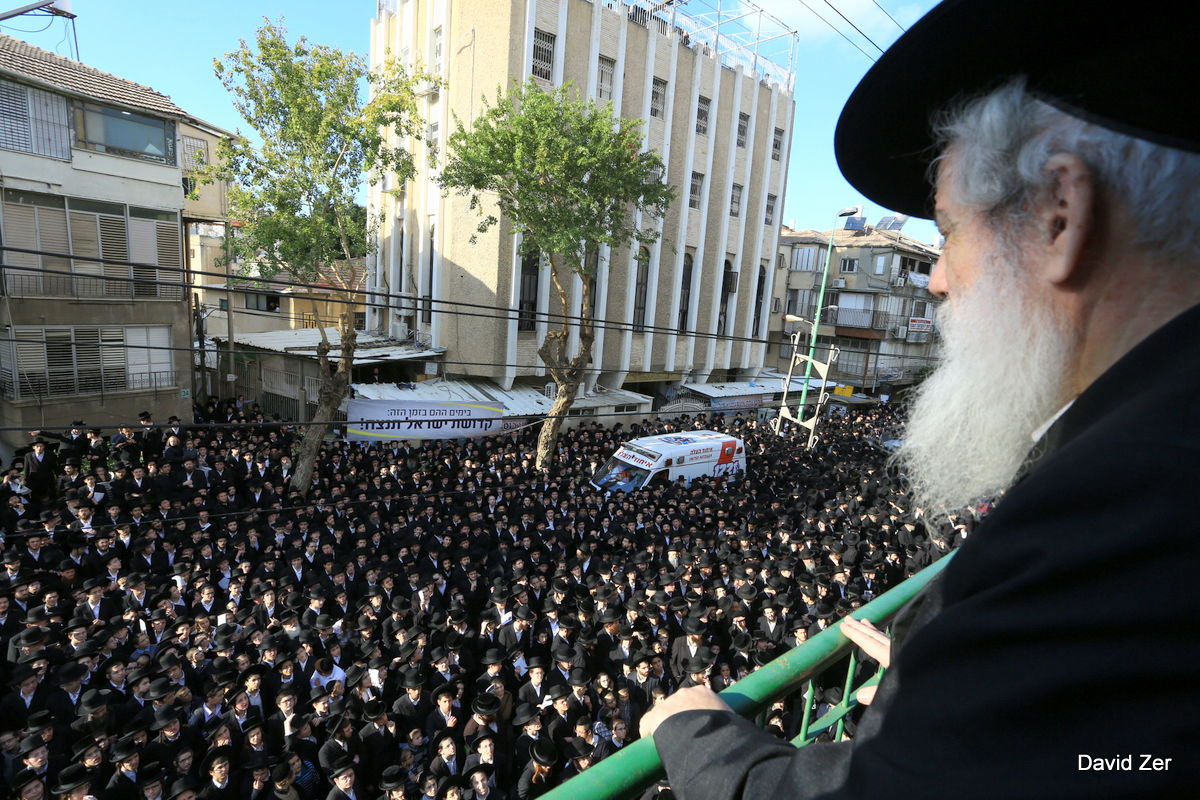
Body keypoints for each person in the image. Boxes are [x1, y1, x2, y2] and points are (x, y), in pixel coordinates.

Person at [641, 1, 1200, 798]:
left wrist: (693, 731)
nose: (936, 277)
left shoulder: (1118, 522)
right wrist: (949, 682)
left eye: (946, 231)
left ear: (1058, 218)